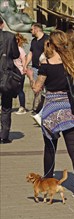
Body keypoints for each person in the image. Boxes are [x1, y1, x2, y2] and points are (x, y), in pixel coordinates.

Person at [26, 30, 74, 198]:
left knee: (50, 148)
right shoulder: (72, 62)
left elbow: (37, 88)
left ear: (52, 44)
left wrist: (31, 76)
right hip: (70, 108)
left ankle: (47, 180)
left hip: (52, 109)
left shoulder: (46, 64)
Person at [23, 22, 49, 124]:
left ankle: (41, 111)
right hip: (35, 68)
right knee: (36, 89)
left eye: (32, 29)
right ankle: (38, 110)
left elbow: (49, 51)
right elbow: (30, 53)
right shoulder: (34, 41)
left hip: (44, 68)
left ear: (37, 29)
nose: (31, 31)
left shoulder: (46, 39)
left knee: (45, 90)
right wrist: (25, 64)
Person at [0, 16, 20, 144]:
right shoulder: (9, 36)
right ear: (2, 24)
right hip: (5, 75)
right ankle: (4, 135)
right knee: (6, 107)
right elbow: (16, 54)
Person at [14, 33, 27, 115]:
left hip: (19, 71)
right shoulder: (10, 48)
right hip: (11, 72)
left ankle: (22, 107)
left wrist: (24, 69)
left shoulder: (20, 50)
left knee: (20, 90)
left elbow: (24, 60)